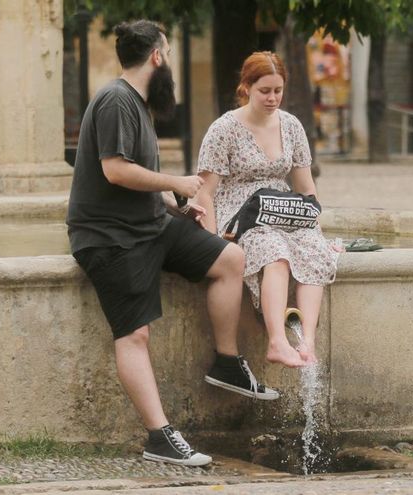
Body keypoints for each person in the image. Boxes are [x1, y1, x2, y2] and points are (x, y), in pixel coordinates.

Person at [66, 21, 279, 468]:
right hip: (110, 238)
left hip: (151, 224)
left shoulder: (137, 104)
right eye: (170, 53)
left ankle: (225, 361)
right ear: (158, 57)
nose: (172, 64)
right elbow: (115, 171)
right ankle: (159, 437)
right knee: (134, 333)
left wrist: (176, 200)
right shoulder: (116, 100)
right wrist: (179, 181)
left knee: (229, 258)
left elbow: (136, 181)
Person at [194, 51, 341, 368]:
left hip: (283, 208)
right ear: (246, 87)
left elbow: (305, 186)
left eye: (278, 90)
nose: (273, 98)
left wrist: (311, 221)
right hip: (242, 214)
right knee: (274, 251)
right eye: (265, 91)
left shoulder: (291, 126)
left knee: (315, 250)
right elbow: (204, 191)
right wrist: (213, 243)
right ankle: (276, 341)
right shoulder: (224, 129)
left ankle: (306, 343)